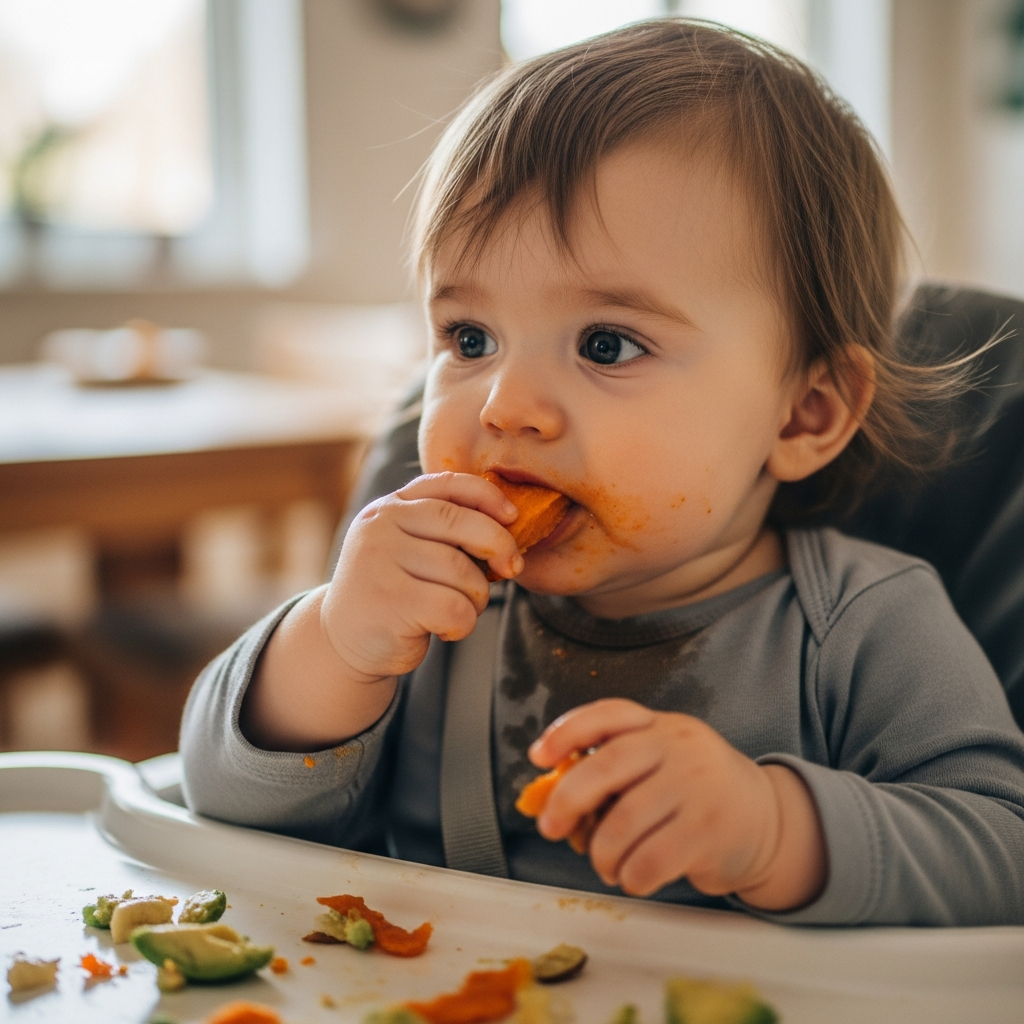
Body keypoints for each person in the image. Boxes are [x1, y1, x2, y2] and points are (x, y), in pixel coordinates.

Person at [180, 20, 1024, 925]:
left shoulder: (862, 625)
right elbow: (222, 807)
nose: (505, 404)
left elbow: (1001, 854)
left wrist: (778, 831)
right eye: (469, 338)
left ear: (803, 413)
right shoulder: (426, 609)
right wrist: (336, 644)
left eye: (607, 344)